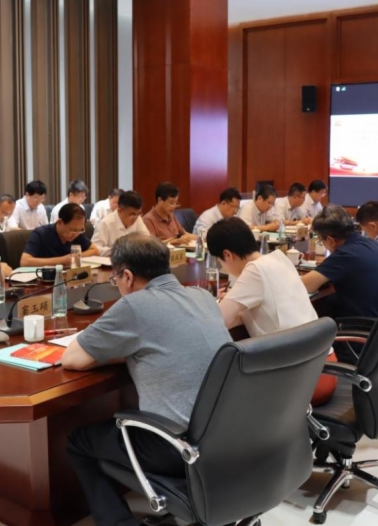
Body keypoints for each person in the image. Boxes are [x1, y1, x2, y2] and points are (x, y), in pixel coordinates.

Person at [63, 234, 231, 526]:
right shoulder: (202, 295)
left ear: (127, 276)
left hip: (178, 447)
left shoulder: (134, 306)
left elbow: (72, 359)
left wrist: (125, 349)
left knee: (79, 441)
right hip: (229, 437)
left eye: (116, 279)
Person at [301, 205, 378, 349]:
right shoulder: (370, 243)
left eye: (321, 241)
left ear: (330, 240)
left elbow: (305, 286)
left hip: (363, 336)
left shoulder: (346, 254)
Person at [207, 217, 317, 337]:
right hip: (316, 343)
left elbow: (218, 321)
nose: (222, 266)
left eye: (220, 261)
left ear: (227, 255)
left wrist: (211, 303)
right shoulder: (280, 258)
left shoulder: (255, 270)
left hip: (290, 347)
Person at [20, 203, 99, 267]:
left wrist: (74, 257)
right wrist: (61, 260)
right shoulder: (41, 234)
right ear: (60, 222)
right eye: (73, 230)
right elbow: (25, 261)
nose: (75, 234)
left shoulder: (77, 233)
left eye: (81, 230)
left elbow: (95, 251)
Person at [91, 191, 150, 256]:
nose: (135, 218)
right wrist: (119, 251)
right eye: (132, 214)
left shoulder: (138, 218)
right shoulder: (105, 223)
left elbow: (146, 240)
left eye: (138, 213)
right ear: (120, 210)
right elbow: (95, 248)